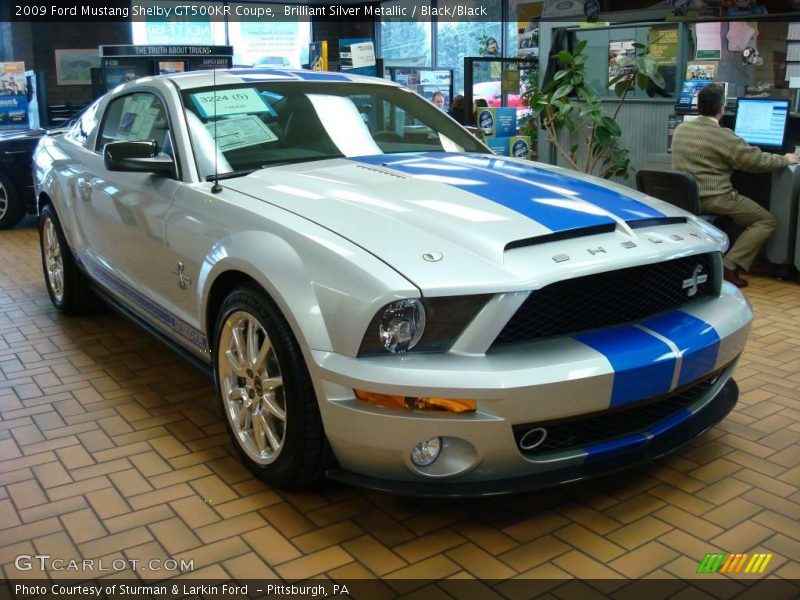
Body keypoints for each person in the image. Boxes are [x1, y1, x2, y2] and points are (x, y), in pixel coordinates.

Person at [672, 84, 799, 288]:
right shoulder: (723, 136)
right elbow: (755, 161)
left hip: (685, 197)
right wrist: (785, 159)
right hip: (716, 198)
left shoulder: (681, 129)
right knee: (765, 221)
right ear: (722, 108)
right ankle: (729, 266)